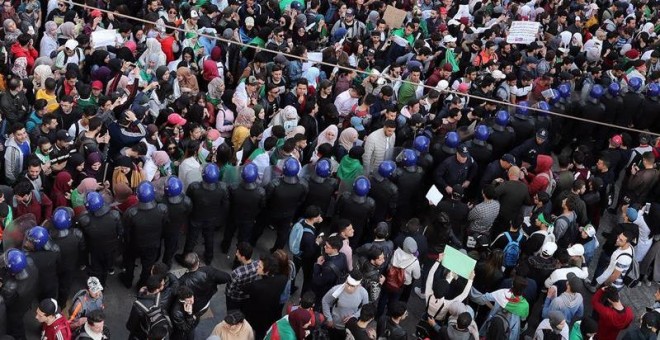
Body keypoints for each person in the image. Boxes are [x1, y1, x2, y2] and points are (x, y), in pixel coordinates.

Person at [120, 181, 169, 289]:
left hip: (134, 244)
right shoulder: (161, 209)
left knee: (130, 263)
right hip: (153, 244)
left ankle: (128, 280)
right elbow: (164, 225)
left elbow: (126, 230)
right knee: (147, 267)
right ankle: (142, 284)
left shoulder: (131, 212)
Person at [177, 163, 229, 265]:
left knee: (191, 239)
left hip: (196, 217)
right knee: (209, 238)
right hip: (211, 218)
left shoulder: (194, 187)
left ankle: (185, 258)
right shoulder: (222, 188)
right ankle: (209, 258)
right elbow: (225, 206)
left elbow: (188, 202)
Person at [78, 192, 123, 286]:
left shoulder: (85, 220)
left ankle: (97, 287)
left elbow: (83, 236)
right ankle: (102, 283)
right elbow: (120, 232)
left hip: (95, 250)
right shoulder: (114, 215)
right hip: (111, 248)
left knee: (96, 269)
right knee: (105, 268)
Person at [243, 254, 289, 339]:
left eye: (260, 266)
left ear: (267, 271)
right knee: (260, 333)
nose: (257, 267)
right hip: (270, 314)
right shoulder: (283, 279)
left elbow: (244, 290)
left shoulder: (256, 285)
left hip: (255, 314)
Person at [322, 269, 370, 340]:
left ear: (358, 285)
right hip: (336, 325)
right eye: (348, 284)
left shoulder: (363, 293)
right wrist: (329, 318)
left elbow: (365, 308)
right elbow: (325, 301)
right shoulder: (336, 289)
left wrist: (354, 316)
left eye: (352, 286)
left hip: (351, 327)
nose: (349, 287)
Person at [160, 176, 192, 267]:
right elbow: (188, 212)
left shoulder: (161, 200)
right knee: (170, 248)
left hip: (162, 227)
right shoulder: (186, 201)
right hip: (175, 228)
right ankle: (167, 264)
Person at [225, 242, 259, 311]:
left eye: (238, 253)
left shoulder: (236, 273)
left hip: (235, 298)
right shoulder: (258, 265)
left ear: (243, 257)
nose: (236, 254)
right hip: (247, 296)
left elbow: (229, 290)